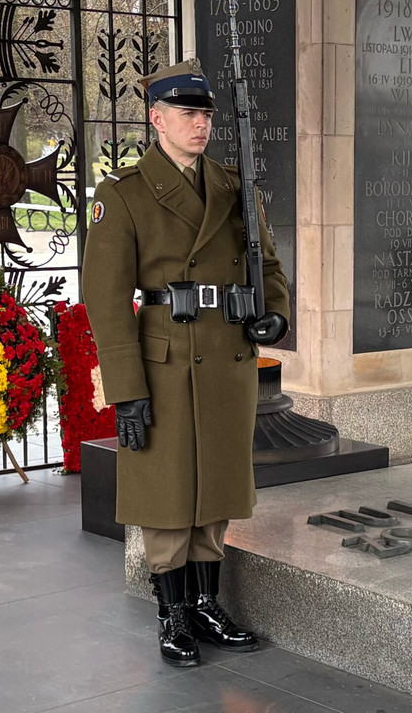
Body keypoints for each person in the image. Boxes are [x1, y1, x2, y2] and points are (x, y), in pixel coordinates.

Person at [81, 59, 290, 667]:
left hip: (225, 356)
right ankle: (171, 612)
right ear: (157, 119)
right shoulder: (123, 195)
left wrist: (274, 315)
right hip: (164, 362)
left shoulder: (232, 186)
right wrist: (126, 387)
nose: (201, 125)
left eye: (206, 115)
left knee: (216, 484)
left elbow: (268, 268)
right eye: (188, 114)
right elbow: (105, 297)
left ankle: (205, 604)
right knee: (168, 491)